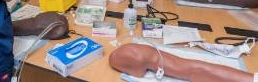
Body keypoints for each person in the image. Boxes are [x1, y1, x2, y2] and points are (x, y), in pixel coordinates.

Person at [109, 43, 255, 82]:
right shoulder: (129, 49)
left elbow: (138, 74)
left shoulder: (124, 56)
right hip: (179, 63)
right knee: (196, 67)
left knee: (196, 70)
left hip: (182, 68)